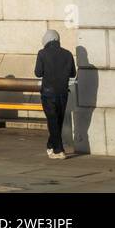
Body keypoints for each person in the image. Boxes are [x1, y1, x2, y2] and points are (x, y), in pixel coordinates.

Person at [35, 29, 77, 159]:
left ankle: (59, 150)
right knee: (58, 121)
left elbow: (38, 73)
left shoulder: (42, 53)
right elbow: (73, 73)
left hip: (48, 93)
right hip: (63, 92)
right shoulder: (68, 54)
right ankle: (50, 146)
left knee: (53, 121)